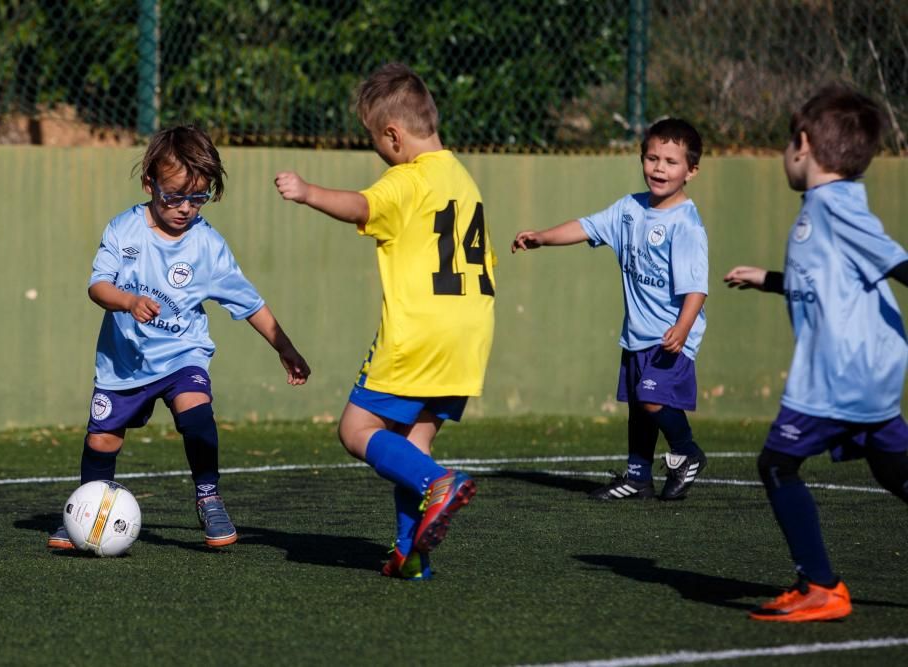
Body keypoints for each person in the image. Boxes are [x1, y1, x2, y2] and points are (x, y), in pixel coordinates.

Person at [274, 62, 496, 580]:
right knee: (411, 445)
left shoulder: (407, 180)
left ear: (393, 135)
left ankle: (441, 484)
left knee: (357, 430)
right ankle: (408, 553)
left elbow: (360, 205)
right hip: (470, 335)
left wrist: (308, 192)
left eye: (374, 140)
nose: (376, 149)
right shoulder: (462, 178)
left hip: (418, 334)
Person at [48, 125, 310, 550]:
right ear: (149, 183)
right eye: (174, 195)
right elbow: (97, 287)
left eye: (198, 197)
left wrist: (286, 347)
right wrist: (128, 302)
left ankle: (209, 497)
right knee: (102, 440)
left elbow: (250, 304)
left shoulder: (208, 246)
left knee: (196, 413)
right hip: (124, 362)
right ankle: (86, 509)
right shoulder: (123, 230)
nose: (186, 208)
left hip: (181, 354)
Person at [725, 84, 908, 622]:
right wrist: (770, 280)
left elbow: (896, 262)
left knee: (778, 464)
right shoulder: (829, 205)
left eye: (786, 142)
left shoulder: (834, 206)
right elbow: (829, 283)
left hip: (838, 374)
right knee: (894, 471)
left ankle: (821, 587)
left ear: (802, 145)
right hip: (868, 373)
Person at [513, 118, 709, 502]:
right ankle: (638, 477)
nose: (659, 168)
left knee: (652, 397)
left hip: (670, 335)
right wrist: (543, 238)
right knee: (639, 403)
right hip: (637, 332)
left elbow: (696, 288)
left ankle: (687, 451)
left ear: (691, 171)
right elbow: (586, 227)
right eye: (652, 158)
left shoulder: (686, 225)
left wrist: (683, 328)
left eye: (671, 162)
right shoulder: (629, 209)